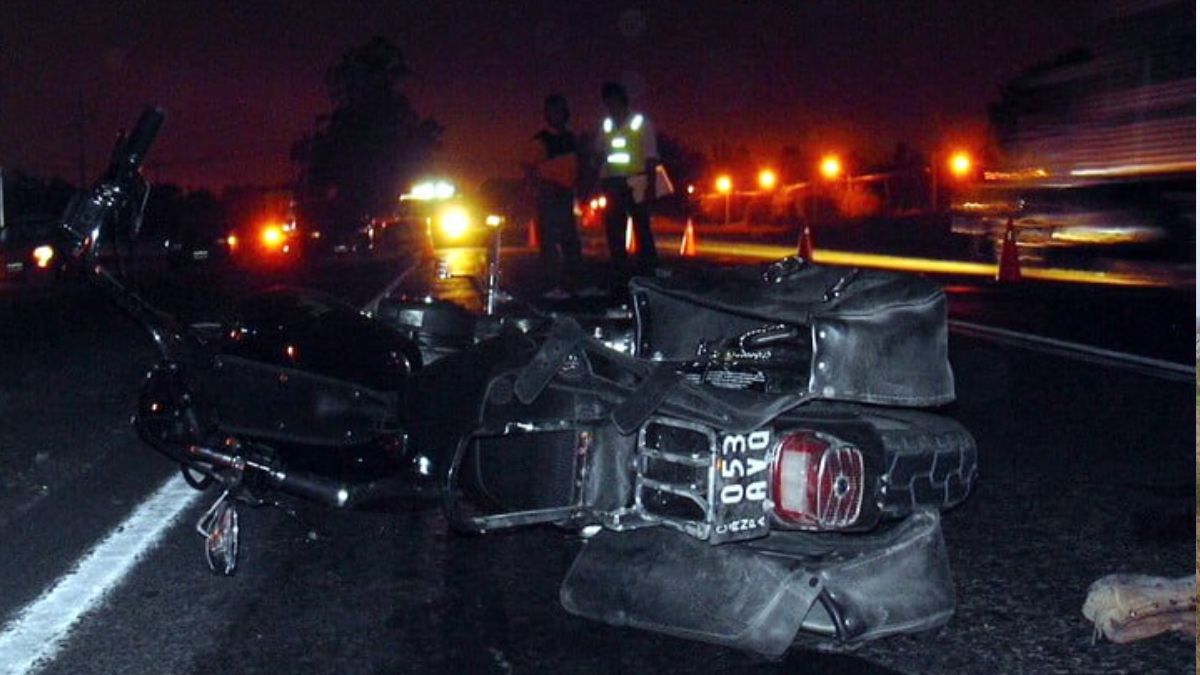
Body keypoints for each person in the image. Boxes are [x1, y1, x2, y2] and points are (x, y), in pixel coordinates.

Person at [595, 81, 658, 279]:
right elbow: (600, 152)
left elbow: (651, 155)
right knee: (614, 228)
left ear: (623, 100)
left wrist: (651, 184)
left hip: (637, 181)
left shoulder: (640, 123)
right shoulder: (606, 125)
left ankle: (647, 268)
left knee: (641, 226)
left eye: (614, 100)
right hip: (613, 182)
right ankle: (619, 268)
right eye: (608, 102)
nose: (611, 105)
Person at [524, 94, 584, 299]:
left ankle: (576, 283)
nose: (555, 115)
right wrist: (539, 189)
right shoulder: (541, 140)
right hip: (549, 193)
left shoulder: (570, 138)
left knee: (570, 240)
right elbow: (530, 167)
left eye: (558, 110)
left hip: (566, 194)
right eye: (551, 111)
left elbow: (577, 165)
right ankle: (551, 285)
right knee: (549, 240)